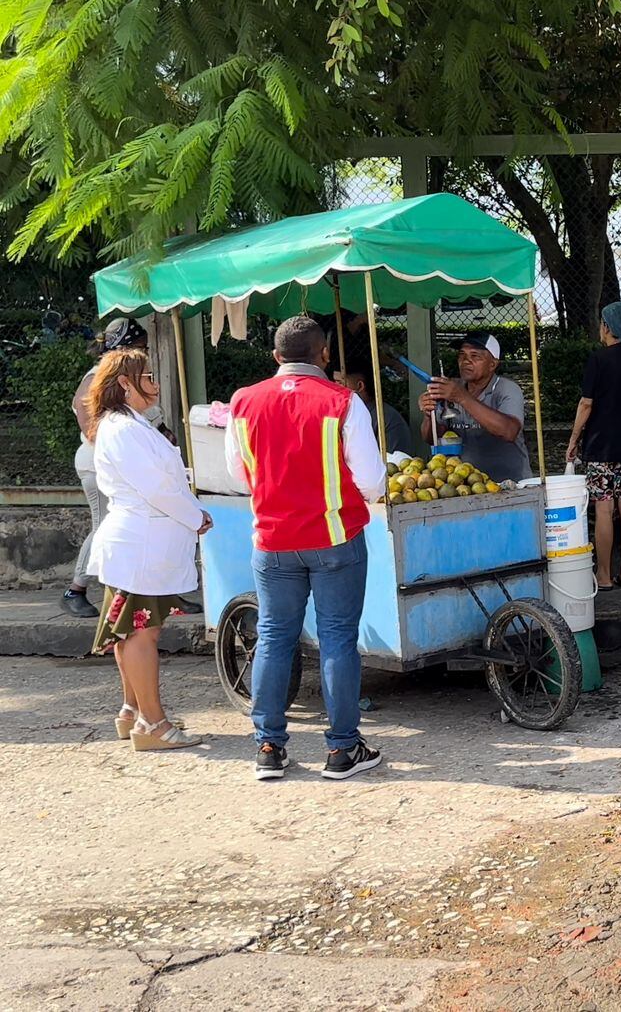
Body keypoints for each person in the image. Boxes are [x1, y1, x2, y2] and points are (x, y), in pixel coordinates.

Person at [225, 316, 387, 782]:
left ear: (276, 357)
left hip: (272, 541)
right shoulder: (343, 402)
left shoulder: (243, 403)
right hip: (335, 538)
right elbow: (373, 481)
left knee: (274, 637)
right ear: (326, 354)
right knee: (338, 639)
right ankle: (342, 750)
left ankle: (269, 748)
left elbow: (239, 475)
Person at [84, 348, 210, 751]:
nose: (155, 385)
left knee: (130, 633)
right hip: (140, 545)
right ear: (124, 382)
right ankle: (153, 723)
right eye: (149, 377)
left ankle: (131, 710)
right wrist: (196, 517)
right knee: (141, 635)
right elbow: (157, 488)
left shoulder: (129, 424)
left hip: (140, 545)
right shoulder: (122, 429)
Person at [62, 319, 192, 618]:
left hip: (130, 463)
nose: (145, 354)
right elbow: (95, 429)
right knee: (105, 523)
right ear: (124, 346)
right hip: (106, 467)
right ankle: (76, 589)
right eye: (141, 347)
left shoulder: (130, 382)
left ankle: (164, 593)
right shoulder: (97, 379)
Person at [565, 302, 621, 590]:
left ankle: (604, 575)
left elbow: (586, 403)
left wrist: (574, 439)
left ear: (606, 327)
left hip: (601, 444)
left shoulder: (598, 360)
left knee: (604, 508)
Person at [419, 334, 532, 483]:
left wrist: (462, 397)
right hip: (464, 485)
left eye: (475, 356)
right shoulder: (452, 389)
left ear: (493, 364)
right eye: (462, 355)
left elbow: (509, 431)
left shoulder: (507, 389)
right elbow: (432, 438)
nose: (466, 361)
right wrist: (429, 415)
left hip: (510, 483)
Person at [334, 339, 412, 457]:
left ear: (360, 386)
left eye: (340, 383)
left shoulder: (386, 419)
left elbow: (395, 465)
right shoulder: (342, 415)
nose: (335, 388)